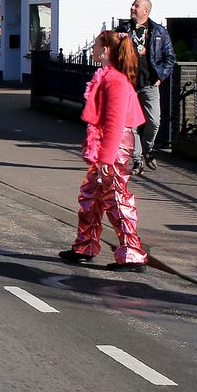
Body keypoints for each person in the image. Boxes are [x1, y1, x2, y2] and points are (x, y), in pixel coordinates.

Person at [60, 31, 149, 272]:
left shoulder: (115, 80)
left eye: (96, 45)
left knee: (116, 197)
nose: (93, 49)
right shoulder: (107, 76)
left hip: (115, 146)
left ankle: (132, 254)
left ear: (106, 50)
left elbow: (115, 123)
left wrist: (106, 158)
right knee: (91, 195)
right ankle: (85, 246)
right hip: (109, 144)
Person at [123, 0, 176, 174]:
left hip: (150, 84)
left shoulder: (159, 31)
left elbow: (170, 57)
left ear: (146, 11)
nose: (132, 8)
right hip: (129, 85)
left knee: (154, 121)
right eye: (132, 5)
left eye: (136, 6)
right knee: (131, 124)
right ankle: (137, 161)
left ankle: (148, 149)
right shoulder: (123, 30)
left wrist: (161, 77)